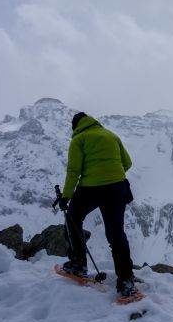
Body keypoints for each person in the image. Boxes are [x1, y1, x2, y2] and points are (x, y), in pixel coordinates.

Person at [56, 111, 138, 298]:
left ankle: (78, 264)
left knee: (73, 219)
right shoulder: (111, 135)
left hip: (91, 189)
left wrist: (66, 196)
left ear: (75, 126)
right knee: (116, 234)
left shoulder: (79, 140)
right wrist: (112, 175)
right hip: (117, 189)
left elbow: (74, 171)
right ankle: (126, 280)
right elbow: (128, 163)